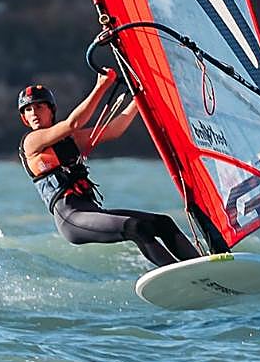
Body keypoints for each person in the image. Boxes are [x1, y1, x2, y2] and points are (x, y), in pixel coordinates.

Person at [18, 71, 201, 268]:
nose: (34, 113)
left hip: (92, 211)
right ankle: (179, 274)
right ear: (25, 119)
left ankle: (202, 267)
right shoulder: (31, 142)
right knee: (135, 227)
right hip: (71, 218)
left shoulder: (71, 141)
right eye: (28, 110)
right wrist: (102, 86)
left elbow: (114, 130)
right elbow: (73, 123)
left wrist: (139, 97)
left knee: (163, 223)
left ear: (51, 110)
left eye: (39, 106)